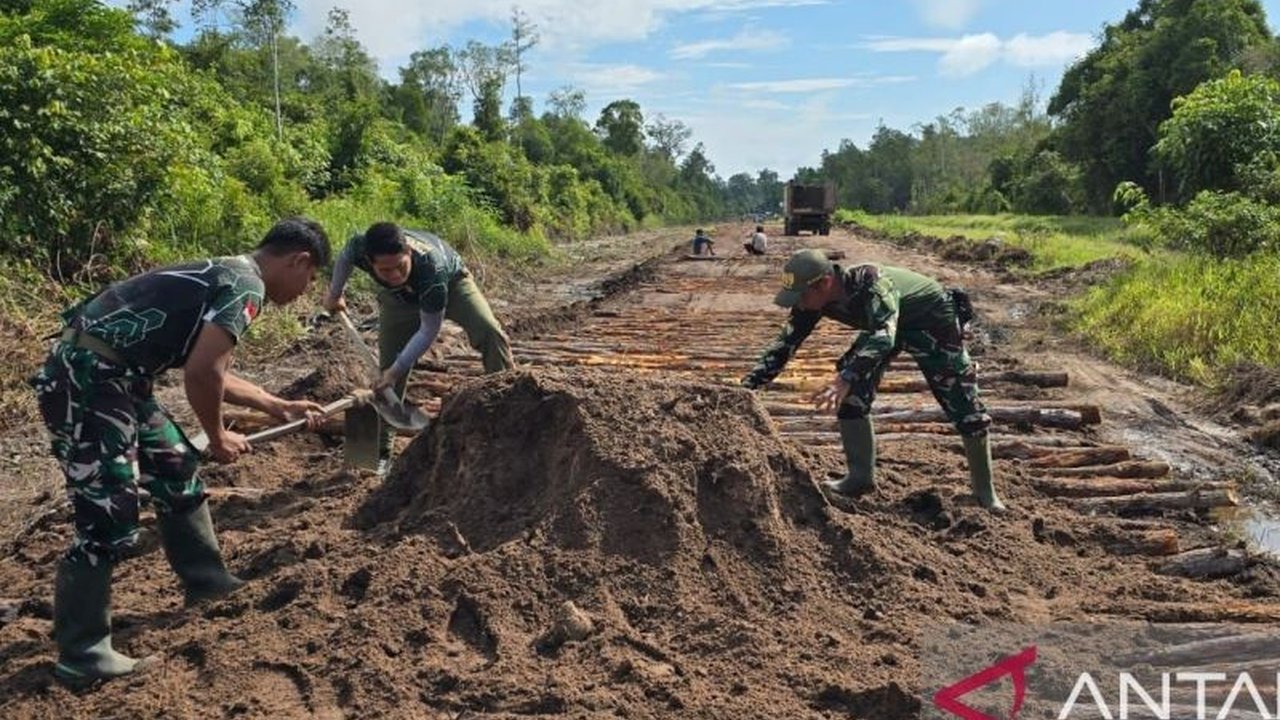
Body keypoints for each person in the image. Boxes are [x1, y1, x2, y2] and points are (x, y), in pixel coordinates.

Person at [29, 217, 333, 687]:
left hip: (120, 379)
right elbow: (203, 374)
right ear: (300, 260)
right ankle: (83, 653)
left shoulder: (230, 272)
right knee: (108, 511)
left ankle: (207, 582)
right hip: (87, 382)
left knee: (176, 466)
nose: (304, 289)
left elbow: (206, 367)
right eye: (310, 280)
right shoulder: (245, 287)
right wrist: (217, 436)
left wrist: (276, 404)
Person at [741, 249, 1005, 512]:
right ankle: (859, 478)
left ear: (824, 283)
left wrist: (844, 378)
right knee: (852, 391)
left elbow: (884, 336)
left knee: (963, 402)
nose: (797, 304)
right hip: (884, 326)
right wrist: (747, 388)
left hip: (931, 321)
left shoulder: (871, 283)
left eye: (800, 297)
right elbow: (785, 344)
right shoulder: (812, 301)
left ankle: (985, 494)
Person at [323, 222, 513, 473]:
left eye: (400, 266)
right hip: (399, 299)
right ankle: (376, 455)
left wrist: (397, 370)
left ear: (409, 252)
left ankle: (510, 406)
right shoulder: (360, 246)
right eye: (385, 270)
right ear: (370, 262)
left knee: (489, 330)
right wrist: (335, 293)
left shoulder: (431, 270)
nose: (394, 275)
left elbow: (428, 330)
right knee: (386, 373)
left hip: (452, 285)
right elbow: (346, 257)